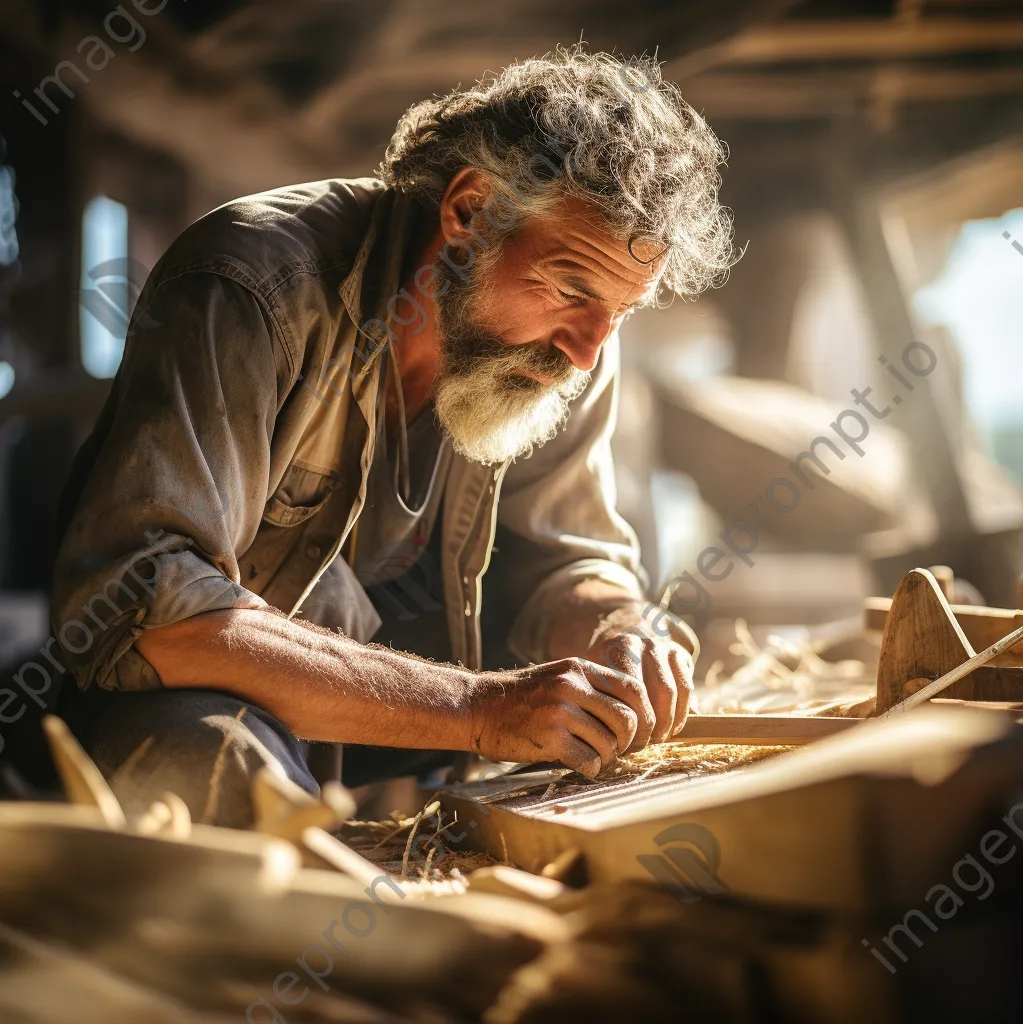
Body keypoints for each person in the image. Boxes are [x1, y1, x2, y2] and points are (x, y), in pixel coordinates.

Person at [51, 47, 734, 827]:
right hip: (232, 719)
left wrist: (619, 627)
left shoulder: (568, 348)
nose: (585, 349)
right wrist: (480, 708)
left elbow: (569, 556)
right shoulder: (250, 288)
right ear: (470, 211)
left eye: (619, 313)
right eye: (570, 287)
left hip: (420, 754)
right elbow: (149, 611)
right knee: (209, 768)